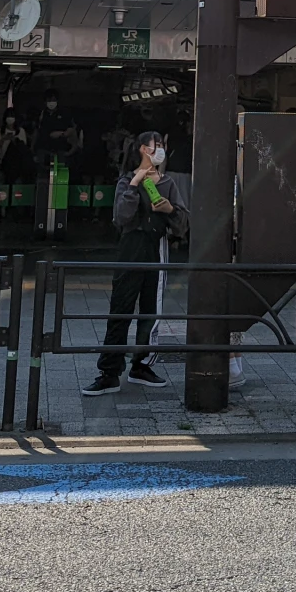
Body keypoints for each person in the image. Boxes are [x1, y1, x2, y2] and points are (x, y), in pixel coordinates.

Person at [84, 131, 188, 396]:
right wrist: (134, 185)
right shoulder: (126, 180)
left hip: (156, 247)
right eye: (157, 146)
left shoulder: (168, 183)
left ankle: (142, 364)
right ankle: (109, 372)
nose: (161, 150)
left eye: (163, 145)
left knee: (150, 311)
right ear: (144, 149)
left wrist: (170, 211)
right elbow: (120, 217)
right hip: (130, 248)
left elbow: (183, 223)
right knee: (121, 308)